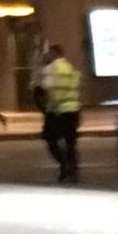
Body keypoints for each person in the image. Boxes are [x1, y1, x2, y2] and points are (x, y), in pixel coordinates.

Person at [40, 41, 83, 184]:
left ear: (54, 53)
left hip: (57, 110)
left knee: (50, 138)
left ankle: (64, 163)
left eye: (50, 53)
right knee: (70, 142)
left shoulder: (51, 69)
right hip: (74, 109)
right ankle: (73, 169)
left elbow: (46, 89)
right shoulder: (70, 68)